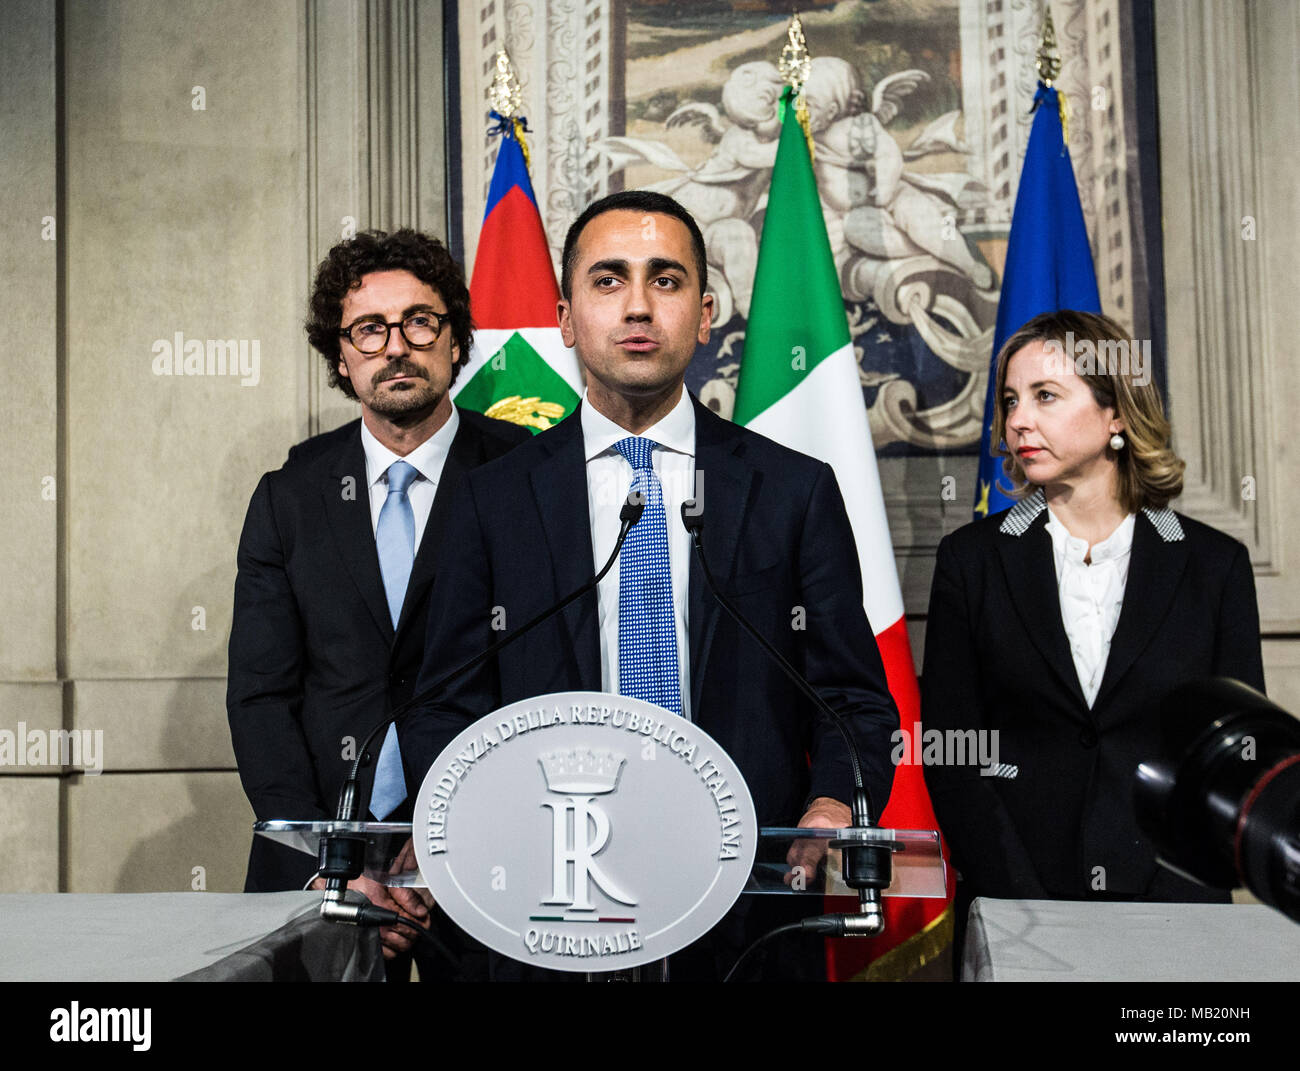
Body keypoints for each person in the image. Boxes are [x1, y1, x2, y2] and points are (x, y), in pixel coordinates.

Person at [400, 190, 899, 981]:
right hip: (547, 907)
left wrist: (835, 802)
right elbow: (441, 704)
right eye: (608, 280)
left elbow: (854, 698)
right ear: (565, 318)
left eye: (665, 281)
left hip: (745, 915)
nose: (638, 306)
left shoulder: (792, 490)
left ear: (705, 315)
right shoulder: (490, 499)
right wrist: (479, 830)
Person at [226, 229, 530, 978]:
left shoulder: (528, 477)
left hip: (495, 852)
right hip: (322, 862)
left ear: (456, 341)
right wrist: (332, 865)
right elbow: (260, 698)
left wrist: (450, 840)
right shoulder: (289, 496)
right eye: (370, 329)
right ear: (342, 355)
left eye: (420, 321)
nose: (396, 346)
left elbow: (548, 680)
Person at [921, 309, 1265, 962]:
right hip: (1016, 918)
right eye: (1011, 400)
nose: (1019, 419)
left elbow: (1232, 756)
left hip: (1177, 918)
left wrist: (1171, 891)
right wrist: (1021, 902)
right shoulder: (972, 559)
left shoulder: (1212, 564)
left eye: (1046, 396)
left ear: (1116, 415)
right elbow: (952, 751)